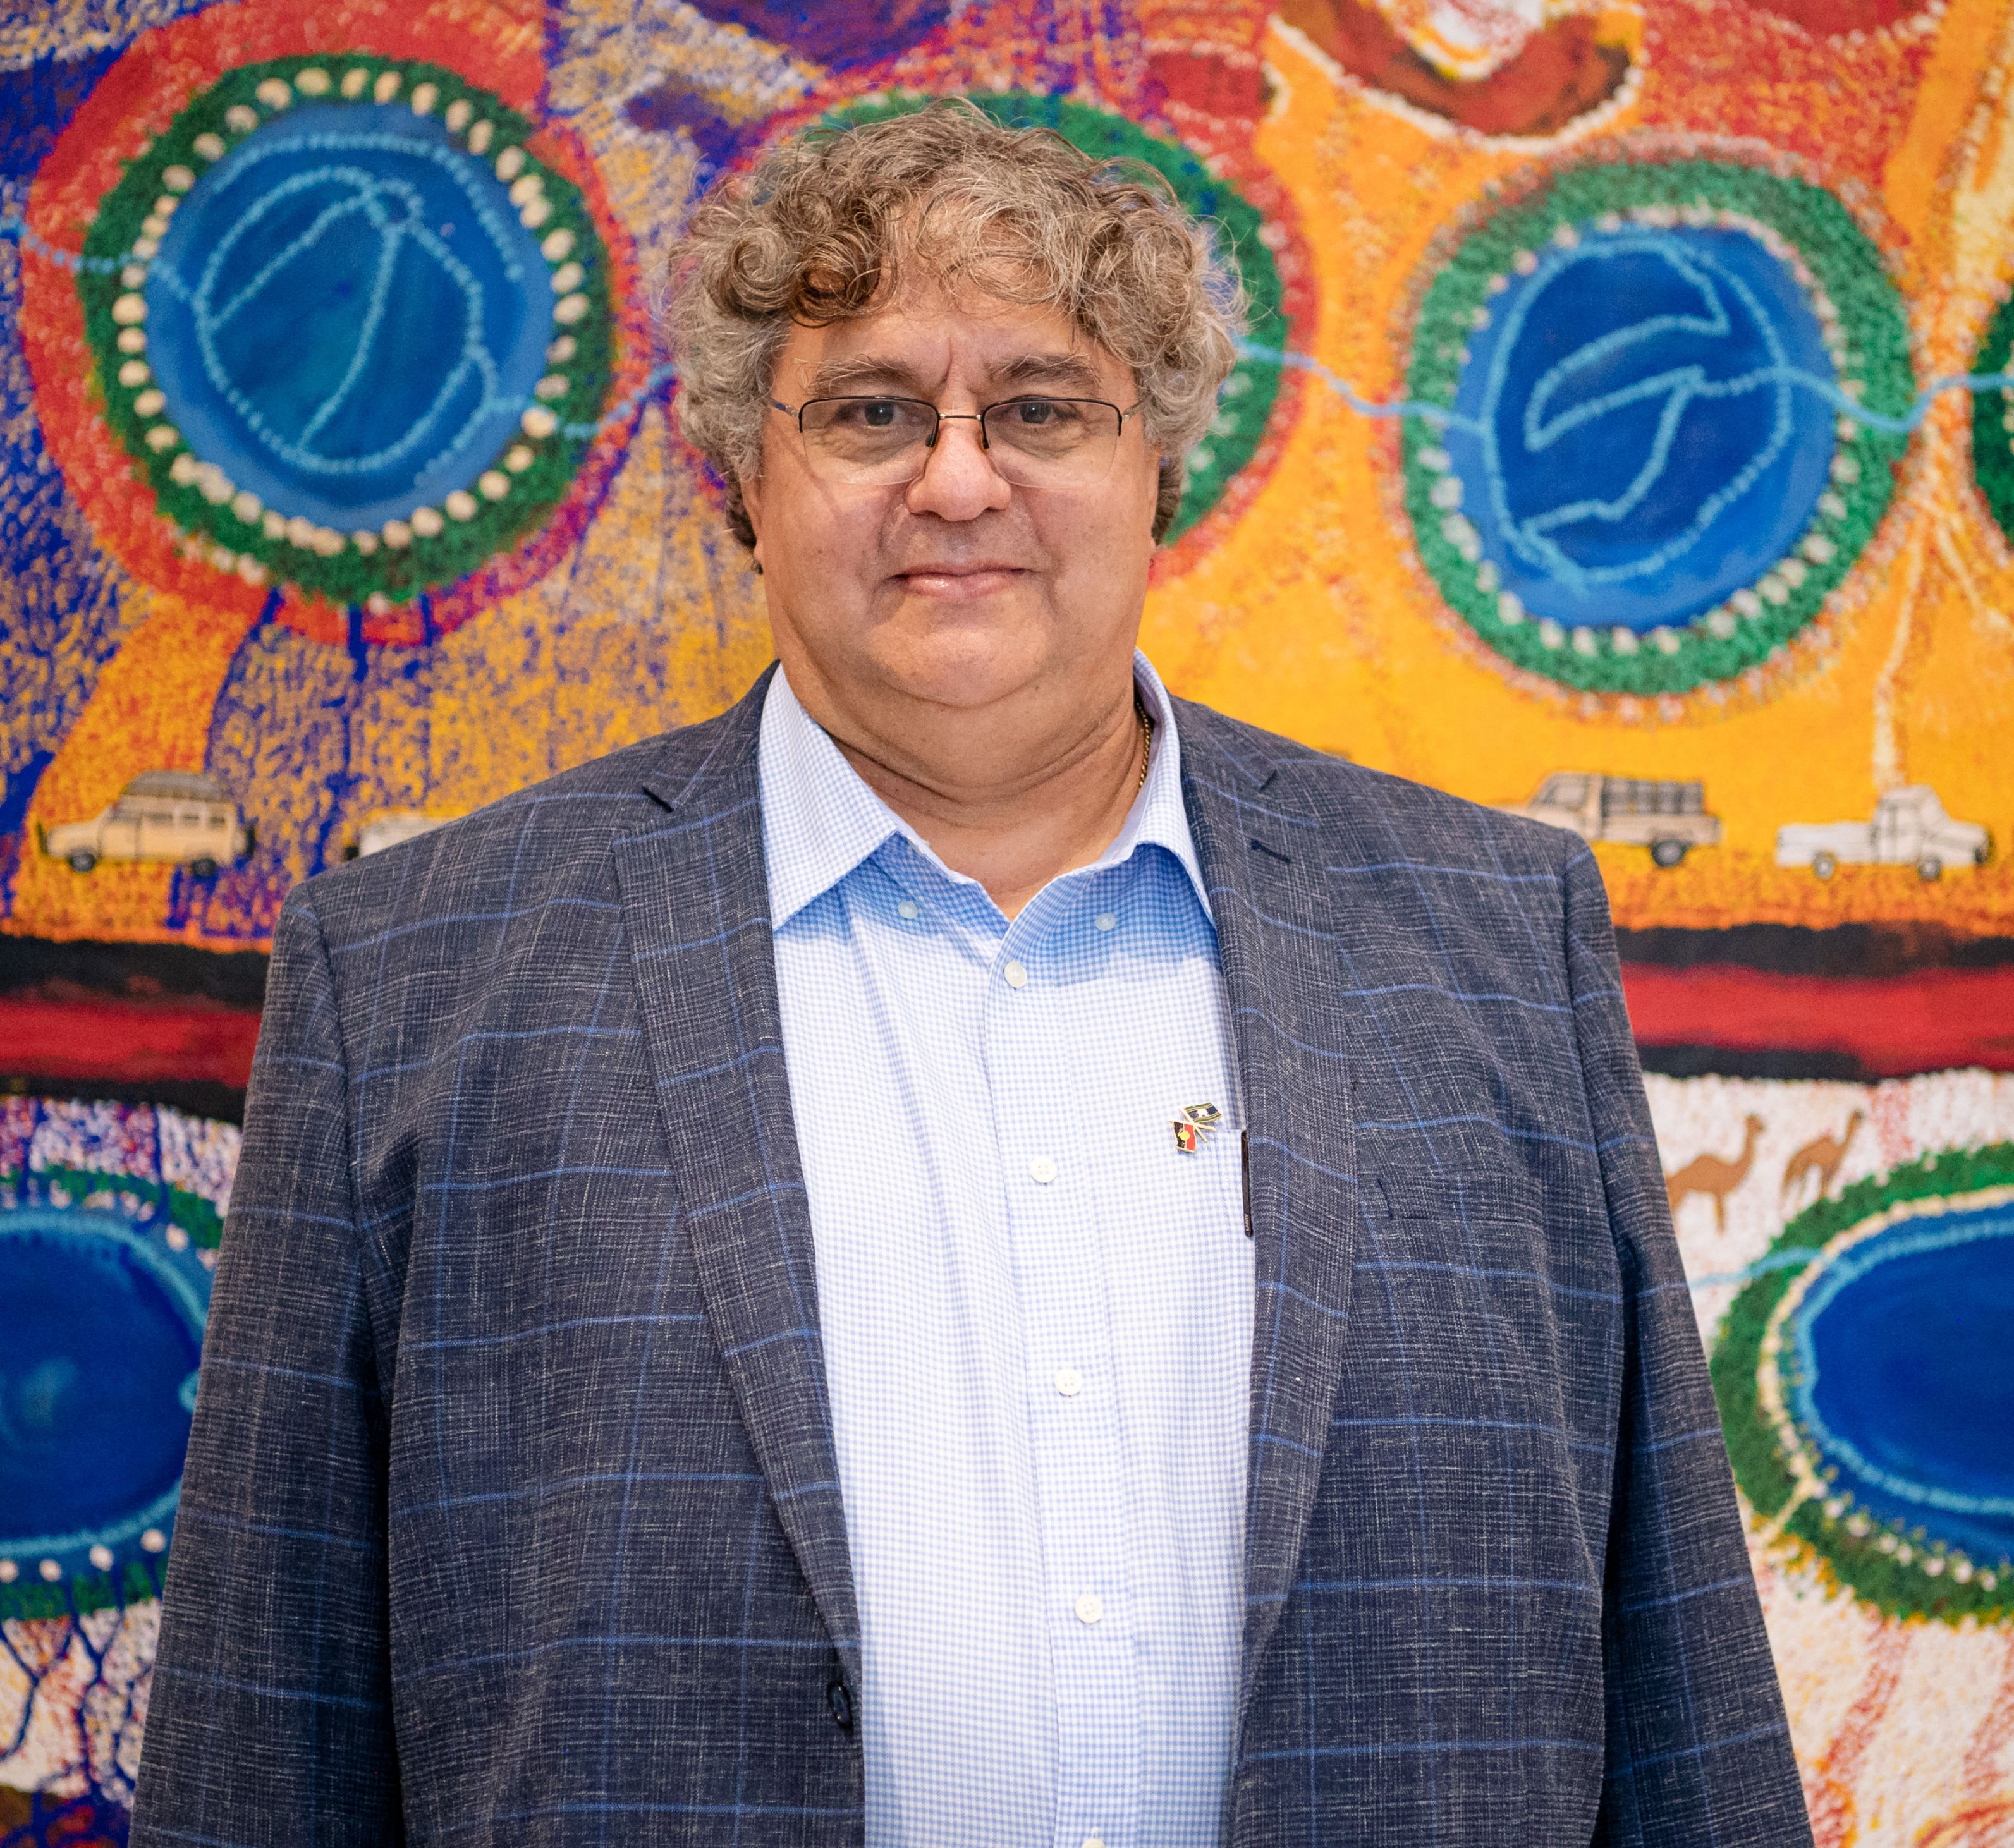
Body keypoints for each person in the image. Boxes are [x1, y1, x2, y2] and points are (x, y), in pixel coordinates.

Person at [131, 101, 1813, 1847]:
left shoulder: (1491, 934)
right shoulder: (412, 975)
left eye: (1039, 406)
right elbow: (268, 1723)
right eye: (869, 412)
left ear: (1157, 469)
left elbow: (1673, 1683)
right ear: (740, 485)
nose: (954, 477)